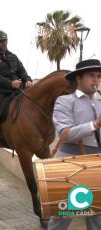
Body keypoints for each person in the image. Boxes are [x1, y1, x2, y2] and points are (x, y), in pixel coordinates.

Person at [48, 59, 101, 230]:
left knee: (97, 220)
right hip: (70, 164)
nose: (96, 80)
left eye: (99, 76)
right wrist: (95, 124)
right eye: (92, 76)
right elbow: (64, 134)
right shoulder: (64, 101)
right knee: (61, 219)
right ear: (78, 78)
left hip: (97, 166)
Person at [0, 30, 32, 148]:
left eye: (5, 41)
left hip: (17, 88)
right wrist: (10, 84)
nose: (4, 43)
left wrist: (27, 79)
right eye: (1, 41)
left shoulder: (13, 56)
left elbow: (21, 70)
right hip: (1, 90)